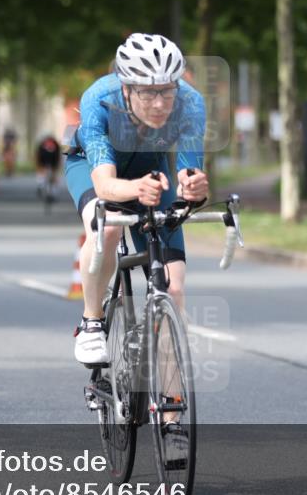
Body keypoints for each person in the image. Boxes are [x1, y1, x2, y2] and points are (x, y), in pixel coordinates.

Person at [65, 33, 209, 367]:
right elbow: (104, 185)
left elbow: (189, 171)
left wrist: (194, 187)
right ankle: (91, 321)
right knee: (109, 228)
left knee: (173, 292)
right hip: (90, 166)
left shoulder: (191, 102)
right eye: (147, 92)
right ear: (127, 87)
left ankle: (171, 412)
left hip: (150, 170)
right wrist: (134, 191)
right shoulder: (99, 99)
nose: (159, 103)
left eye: (167, 91)